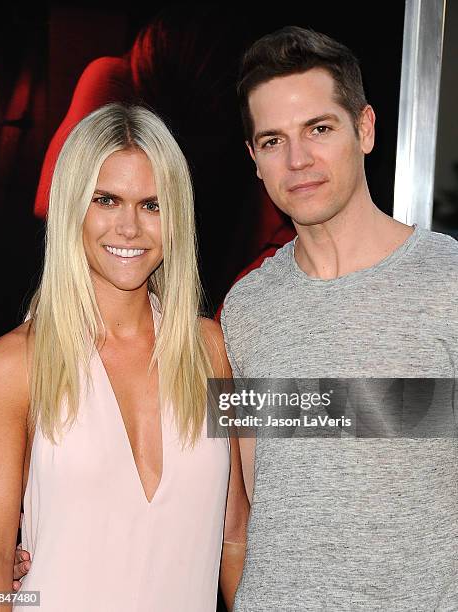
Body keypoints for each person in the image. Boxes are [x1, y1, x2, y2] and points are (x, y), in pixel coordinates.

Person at [0, 103, 248, 612]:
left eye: (152, 204)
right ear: (73, 206)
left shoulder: (210, 350)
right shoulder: (12, 367)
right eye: (107, 200)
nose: (129, 227)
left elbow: (234, 532)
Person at [217, 26, 458, 610]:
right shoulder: (244, 308)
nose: (298, 160)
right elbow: (240, 511)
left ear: (366, 129)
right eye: (273, 141)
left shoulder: (449, 283)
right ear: (254, 159)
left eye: (319, 129)